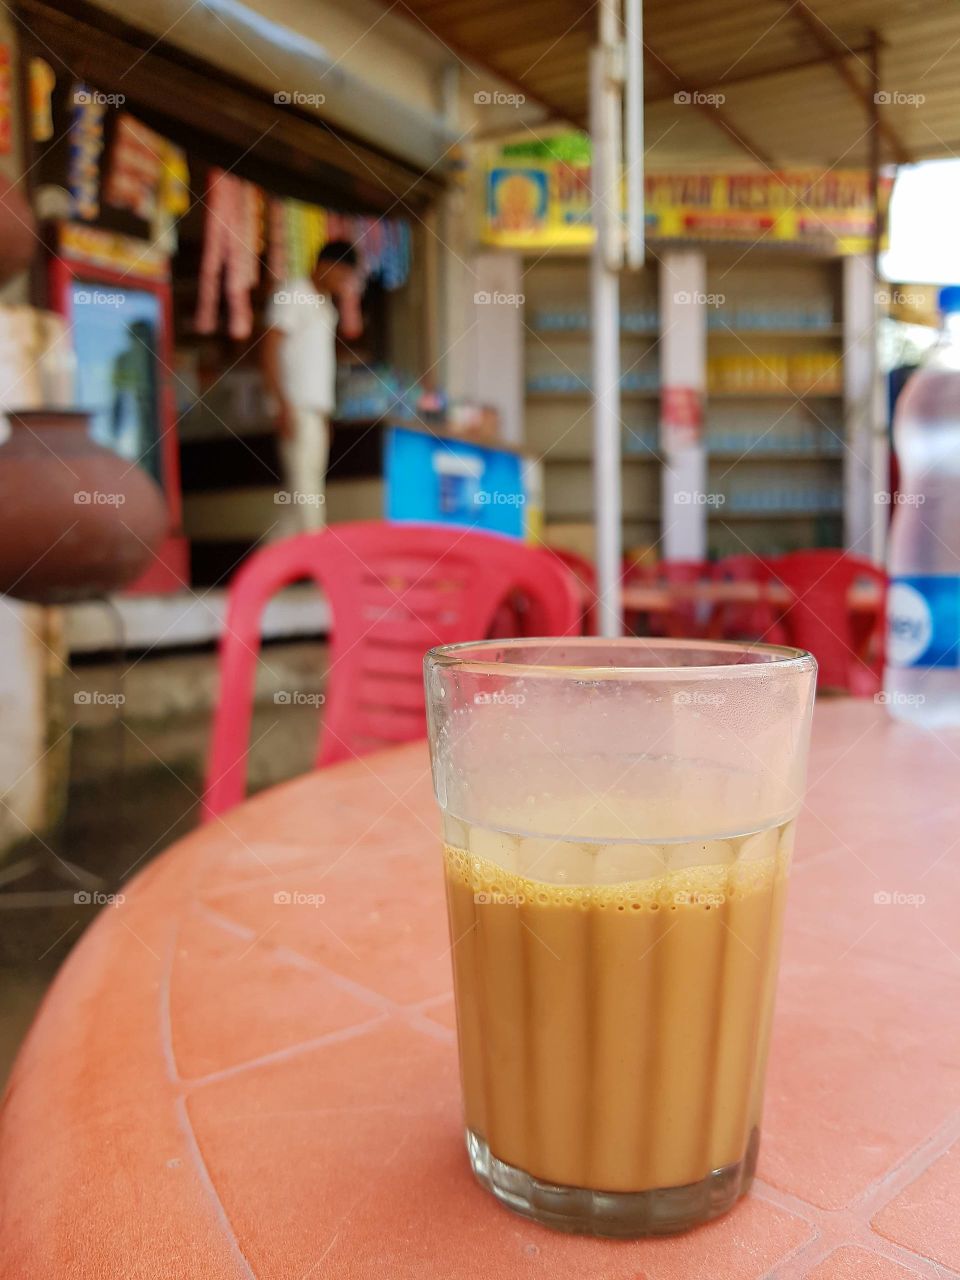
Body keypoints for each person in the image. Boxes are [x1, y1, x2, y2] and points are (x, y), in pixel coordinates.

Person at [262, 240, 363, 532]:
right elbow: (269, 348)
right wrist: (281, 404)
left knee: (297, 505)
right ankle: (321, 574)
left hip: (315, 413)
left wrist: (324, 416)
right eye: (341, 275)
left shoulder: (325, 305)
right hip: (295, 409)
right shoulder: (293, 293)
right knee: (309, 500)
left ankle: (266, 573)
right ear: (324, 265)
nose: (343, 283)